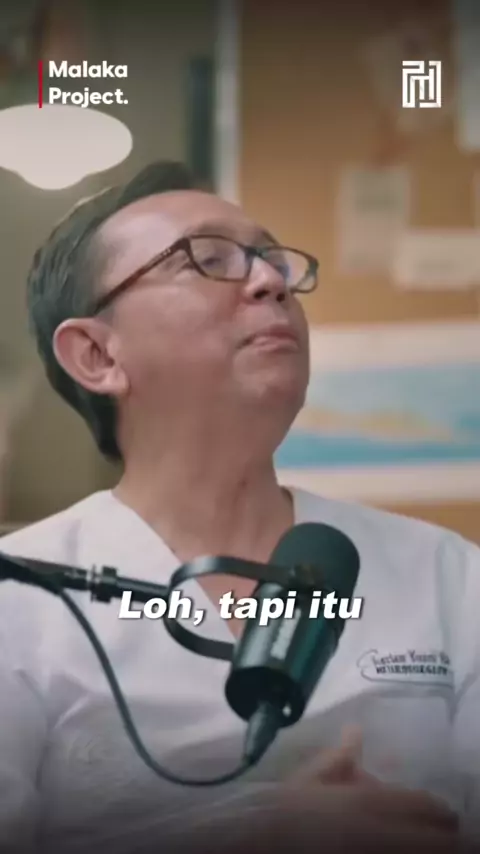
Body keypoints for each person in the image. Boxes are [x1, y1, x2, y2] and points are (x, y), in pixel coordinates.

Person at [0, 160, 478, 854]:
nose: (270, 282)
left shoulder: (447, 576)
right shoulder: (18, 597)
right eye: (206, 259)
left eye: (272, 261)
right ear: (98, 355)